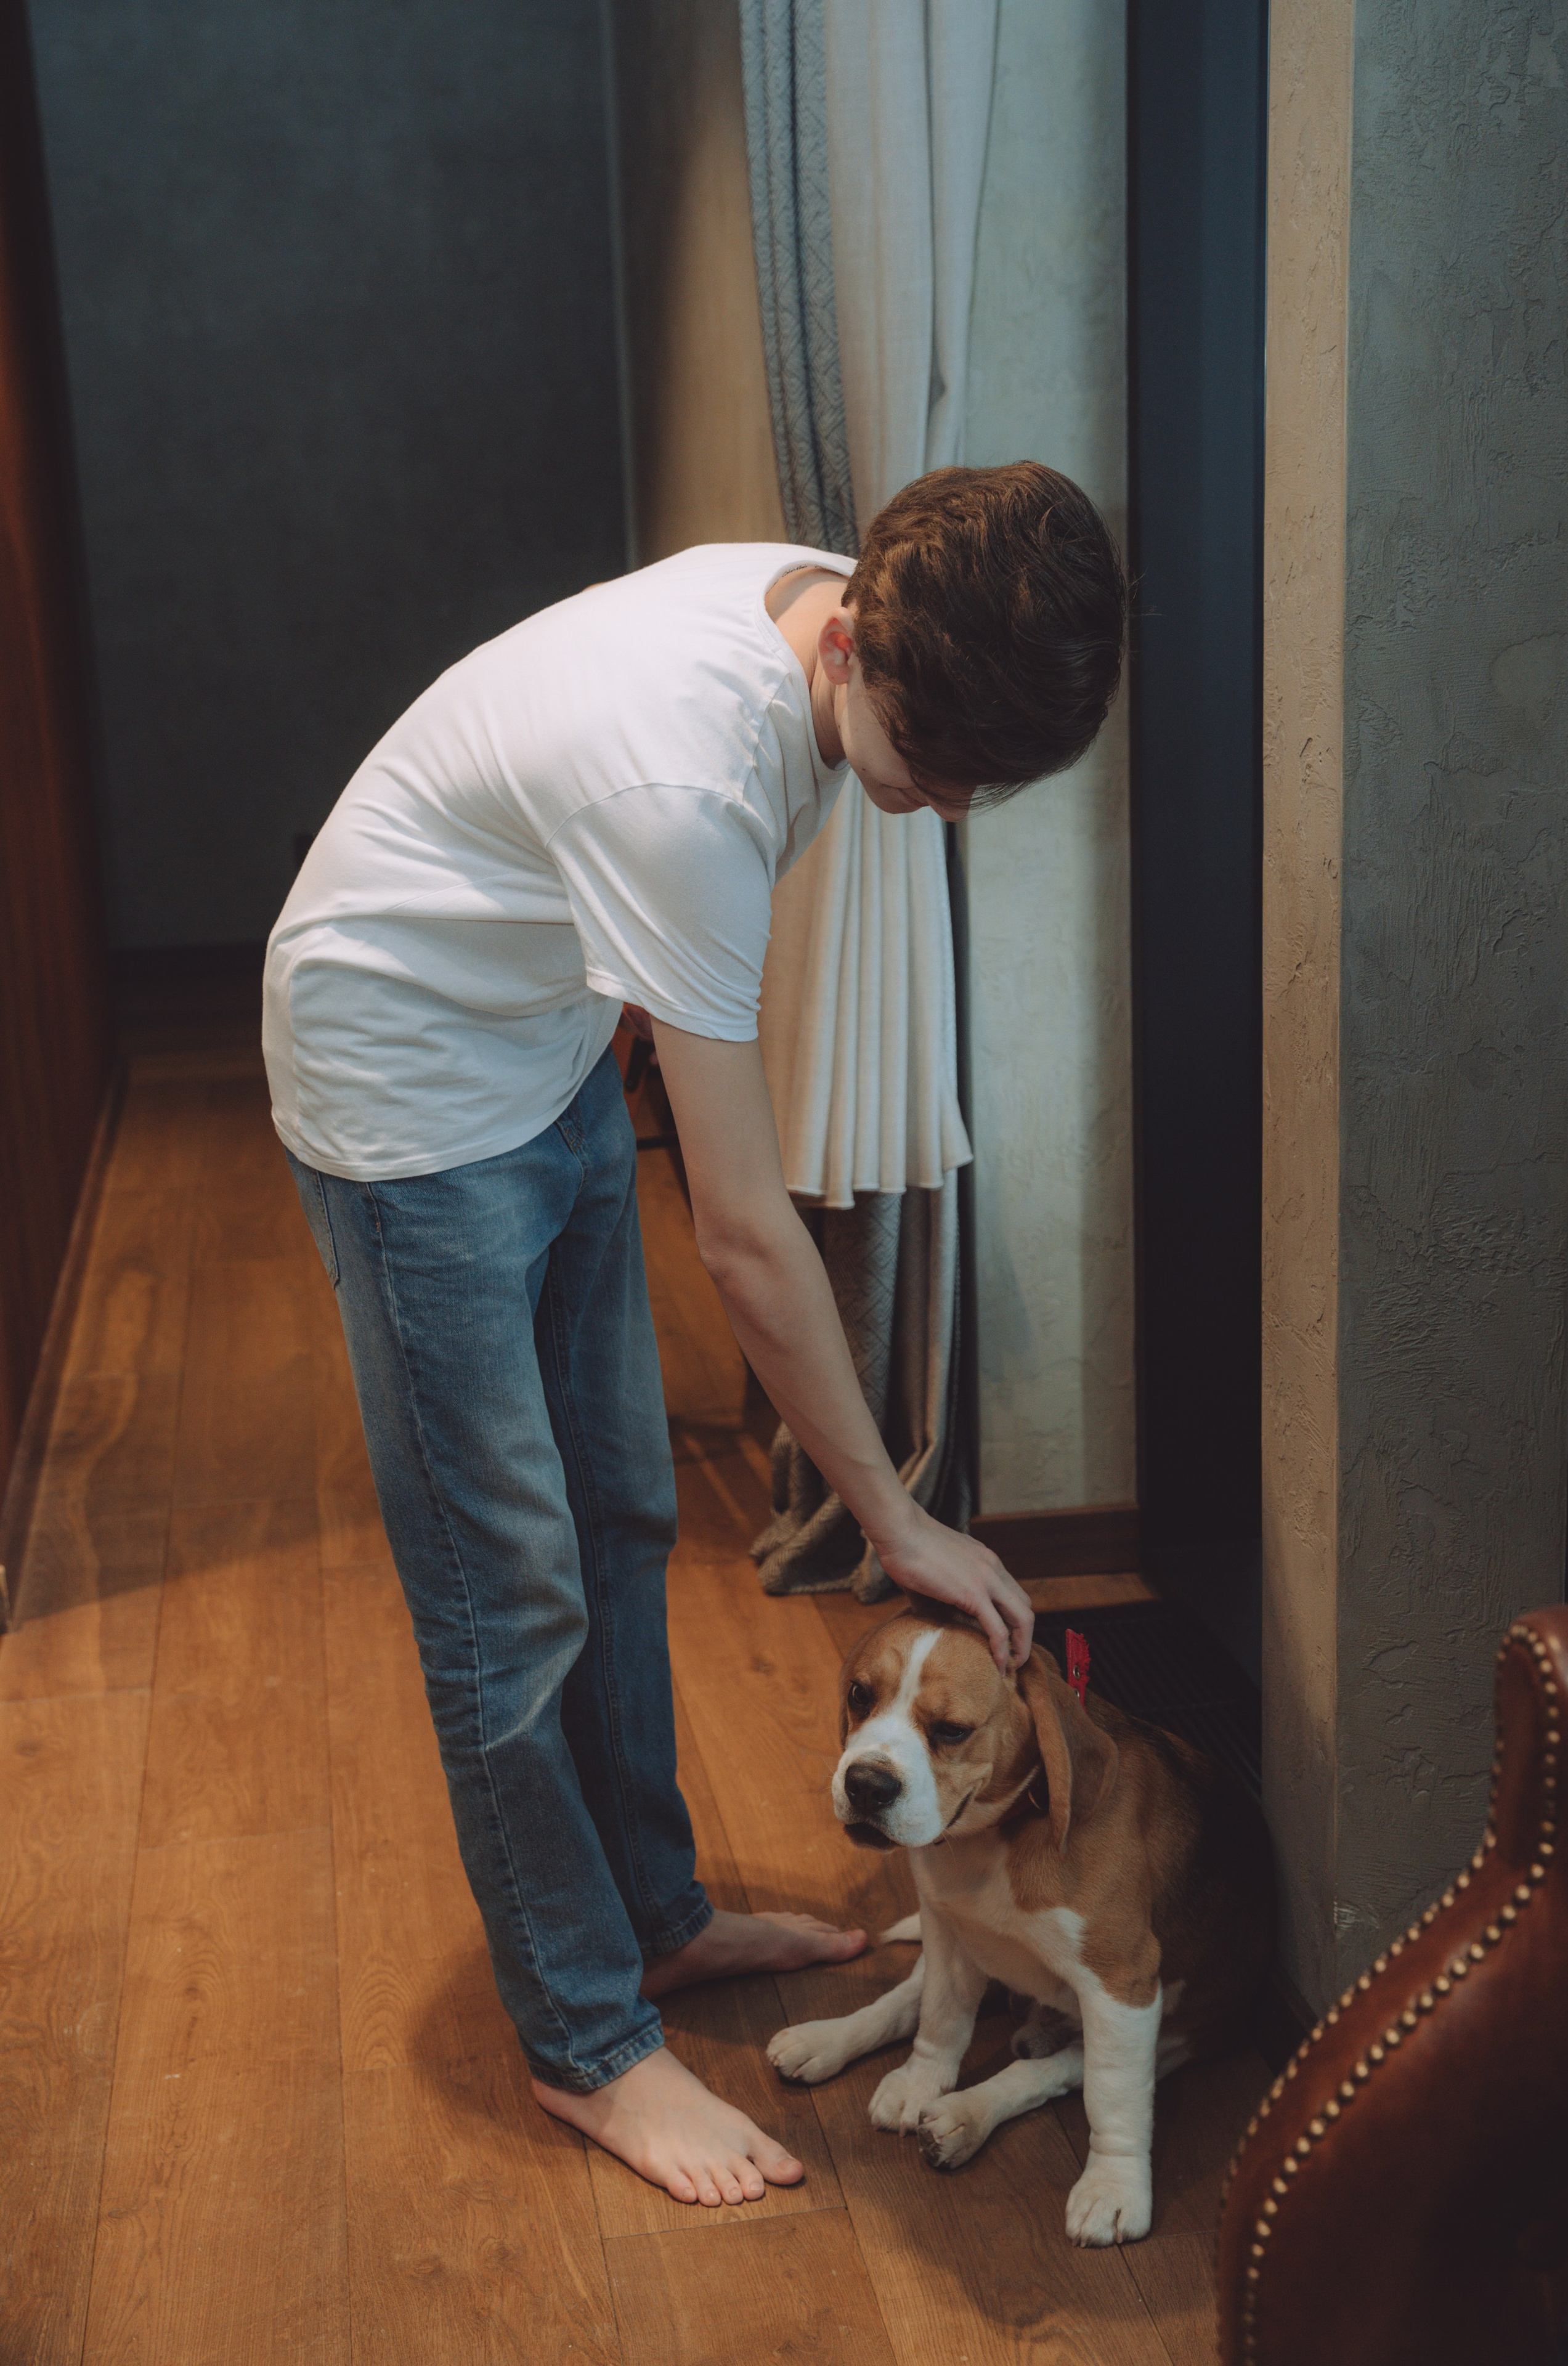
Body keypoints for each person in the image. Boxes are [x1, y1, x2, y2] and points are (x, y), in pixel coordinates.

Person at [262, 460, 1127, 2208]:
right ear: (860, 646)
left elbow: (685, 1039)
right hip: (405, 1094)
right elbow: (740, 1231)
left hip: (546, 1042)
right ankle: (587, 2040)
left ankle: (653, 1921)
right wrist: (894, 1511)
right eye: (940, 766)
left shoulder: (848, 602)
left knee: (625, 1515)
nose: (950, 808)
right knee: (509, 1593)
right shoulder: (683, 774)